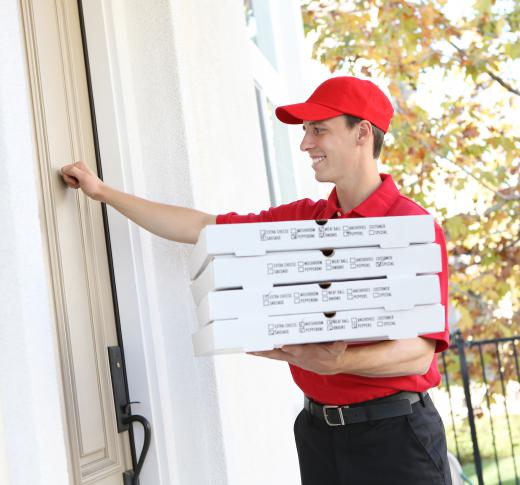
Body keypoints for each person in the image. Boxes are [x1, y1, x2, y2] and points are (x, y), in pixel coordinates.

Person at [61, 76, 452, 485]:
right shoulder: (303, 219)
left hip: (395, 438)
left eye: (319, 129)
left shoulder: (411, 227)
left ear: (362, 133)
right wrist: (104, 192)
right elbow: (201, 226)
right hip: (318, 435)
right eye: (304, 131)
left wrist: (340, 362)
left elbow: (418, 353)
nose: (305, 144)